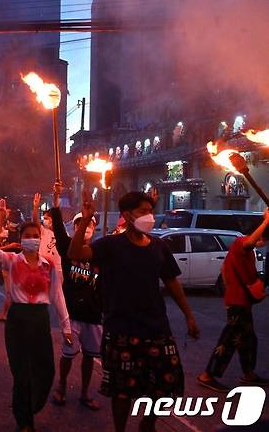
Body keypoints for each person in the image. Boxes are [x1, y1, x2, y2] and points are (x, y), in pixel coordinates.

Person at [68, 190, 200, 432]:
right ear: (127, 215)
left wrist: (189, 315)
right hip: (121, 329)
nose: (148, 216)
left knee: (167, 386)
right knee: (122, 390)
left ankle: (147, 424)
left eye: (150, 211)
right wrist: (85, 219)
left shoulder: (159, 247)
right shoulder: (110, 245)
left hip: (157, 328)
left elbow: (172, 282)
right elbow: (75, 254)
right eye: (143, 212)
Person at [0, 198, 71, 432]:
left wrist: (66, 327)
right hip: (17, 320)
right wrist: (1, 219)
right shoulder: (13, 260)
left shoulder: (49, 265)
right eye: (28, 235)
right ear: (21, 239)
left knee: (46, 371)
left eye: (36, 234)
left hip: (40, 320)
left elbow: (57, 295)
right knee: (22, 373)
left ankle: (27, 408)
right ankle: (24, 421)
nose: (32, 238)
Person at [198, 208, 269, 392]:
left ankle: (249, 373)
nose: (264, 243)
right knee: (229, 340)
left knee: (247, 339)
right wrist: (266, 221)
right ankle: (208, 375)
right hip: (237, 302)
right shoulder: (241, 243)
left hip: (242, 302)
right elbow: (251, 240)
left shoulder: (248, 251)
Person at [47, 182, 102, 411]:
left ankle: (84, 393)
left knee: (89, 356)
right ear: (75, 226)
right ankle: (60, 386)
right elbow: (58, 225)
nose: (85, 227)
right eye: (81, 223)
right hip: (72, 314)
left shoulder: (100, 251)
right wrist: (56, 199)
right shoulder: (67, 246)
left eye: (89, 223)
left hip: (93, 314)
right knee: (68, 355)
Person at [32, 192, 63, 283]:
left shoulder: (63, 234)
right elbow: (35, 221)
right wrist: (35, 207)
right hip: (43, 268)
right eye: (44, 218)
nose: (44, 221)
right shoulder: (44, 231)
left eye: (47, 218)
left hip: (58, 270)